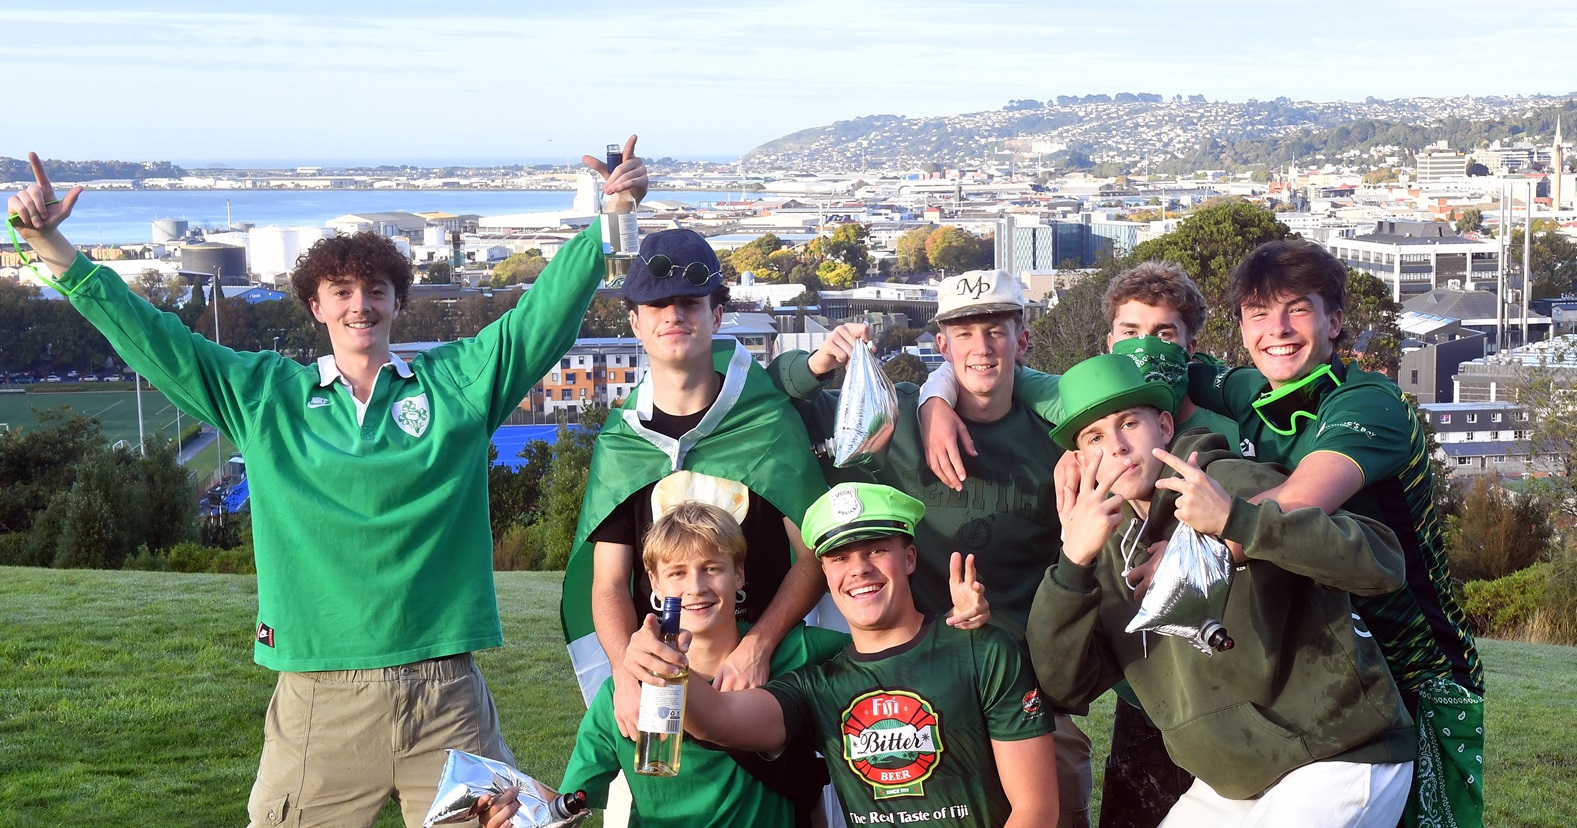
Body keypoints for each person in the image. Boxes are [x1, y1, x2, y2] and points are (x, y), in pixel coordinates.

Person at [6, 142, 648, 828]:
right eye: (341, 293)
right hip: (318, 698)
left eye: (375, 292)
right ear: (315, 306)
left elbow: (542, 317)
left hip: (446, 693)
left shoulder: (458, 383)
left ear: (398, 302)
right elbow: (155, 339)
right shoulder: (263, 396)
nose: (359, 307)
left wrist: (613, 215)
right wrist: (52, 246)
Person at [1028, 353, 1416, 827]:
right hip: (1233, 782)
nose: (1118, 447)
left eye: (1129, 422)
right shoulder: (1101, 545)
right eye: (1095, 437)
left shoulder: (1226, 482)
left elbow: (1382, 561)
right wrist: (1072, 563)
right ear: (1079, 458)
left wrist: (1236, 522)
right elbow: (1065, 686)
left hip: (1339, 752)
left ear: (1165, 426)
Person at [917, 260, 1239, 828]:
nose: (1146, 347)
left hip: (1219, 684)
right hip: (1120, 682)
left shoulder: (1222, 421)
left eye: (1166, 333)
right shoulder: (1073, 416)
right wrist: (932, 398)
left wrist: (1209, 543)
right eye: (1130, 331)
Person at [768, 269, 1092, 827]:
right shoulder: (896, 420)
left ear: (1024, 338)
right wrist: (822, 362)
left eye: (996, 330)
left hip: (1028, 693)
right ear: (941, 345)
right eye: (964, 335)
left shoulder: (1056, 437)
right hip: (917, 691)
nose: (982, 348)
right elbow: (780, 401)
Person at [1186, 240, 1483, 827]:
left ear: (1335, 321)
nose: (1277, 329)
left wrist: (1180, 553)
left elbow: (1295, 508)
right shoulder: (1253, 391)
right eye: (1257, 313)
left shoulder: (1369, 403)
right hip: (1320, 670)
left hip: (1416, 670)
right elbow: (1157, 372)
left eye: (1297, 309)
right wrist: (944, 395)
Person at [623, 482, 1059, 828]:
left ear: (908, 557)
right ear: (826, 574)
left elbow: (1037, 809)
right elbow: (717, 719)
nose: (859, 569)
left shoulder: (982, 650)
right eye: (840, 557)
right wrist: (661, 667)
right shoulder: (818, 682)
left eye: (875, 549)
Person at [560, 228, 833, 736]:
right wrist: (625, 669)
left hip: (770, 672)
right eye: (656, 305)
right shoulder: (623, 443)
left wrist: (760, 645)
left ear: (717, 315)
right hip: (661, 676)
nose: (674, 315)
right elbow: (610, 583)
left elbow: (815, 556)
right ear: (635, 323)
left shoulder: (768, 421)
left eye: (689, 301)